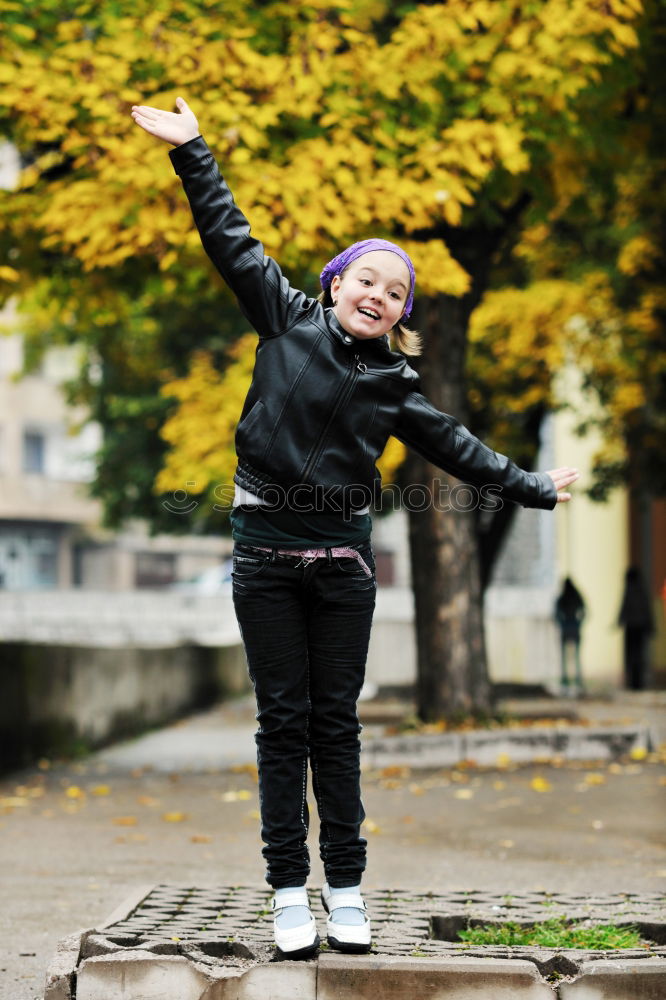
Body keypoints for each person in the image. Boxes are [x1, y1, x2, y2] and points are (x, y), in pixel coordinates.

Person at [130, 97, 579, 959]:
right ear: (335, 284)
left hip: (341, 568)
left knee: (334, 727)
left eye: (396, 291)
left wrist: (529, 486)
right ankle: (287, 895)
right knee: (280, 726)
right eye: (367, 279)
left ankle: (345, 890)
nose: (379, 294)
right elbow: (229, 236)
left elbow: (459, 447)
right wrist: (193, 152)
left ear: (402, 314)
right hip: (264, 556)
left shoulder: (395, 386)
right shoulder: (284, 317)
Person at [618, 566, 654, 690]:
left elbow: (624, 607)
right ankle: (637, 682)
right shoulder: (642, 590)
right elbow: (647, 610)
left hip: (633, 627)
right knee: (639, 655)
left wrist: (620, 620)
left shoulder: (630, 590)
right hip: (639, 626)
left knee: (632, 655)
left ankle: (634, 682)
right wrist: (650, 625)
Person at [554, 577, 586, 695]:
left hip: (567, 627)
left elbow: (556, 613)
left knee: (565, 657)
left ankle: (566, 680)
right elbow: (584, 610)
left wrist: (562, 623)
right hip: (573, 627)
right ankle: (576, 679)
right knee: (576, 656)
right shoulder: (575, 597)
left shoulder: (563, 597)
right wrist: (578, 622)